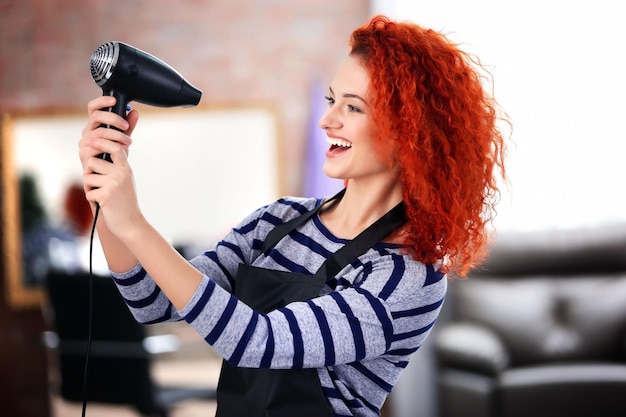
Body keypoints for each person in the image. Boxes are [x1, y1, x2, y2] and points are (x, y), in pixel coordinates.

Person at [78, 15, 507, 417]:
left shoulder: (406, 276)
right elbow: (152, 304)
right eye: (330, 100)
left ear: (410, 131)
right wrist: (109, 210)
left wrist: (134, 221)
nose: (326, 120)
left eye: (353, 108)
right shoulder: (277, 221)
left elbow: (256, 340)